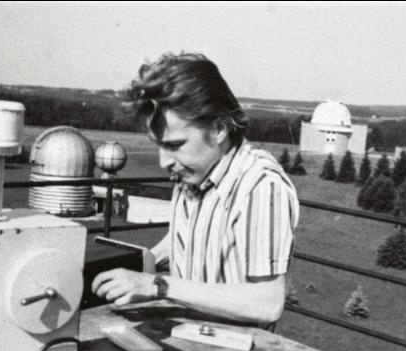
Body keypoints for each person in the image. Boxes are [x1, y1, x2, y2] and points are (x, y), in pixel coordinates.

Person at [91, 53, 299, 328]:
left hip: (238, 350)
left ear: (220, 129)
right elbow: (187, 236)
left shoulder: (259, 186)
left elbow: (268, 303)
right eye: (159, 145)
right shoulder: (194, 172)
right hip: (189, 332)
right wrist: (140, 264)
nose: (164, 162)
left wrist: (157, 285)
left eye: (175, 145)